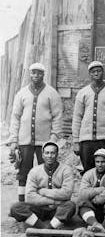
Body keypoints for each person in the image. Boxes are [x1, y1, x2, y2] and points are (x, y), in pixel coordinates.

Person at [8, 63, 63, 202]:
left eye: (39, 73)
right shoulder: (22, 93)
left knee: (44, 171)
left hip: (44, 141)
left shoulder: (51, 93)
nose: (36, 76)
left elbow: (57, 116)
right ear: (29, 74)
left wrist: (53, 138)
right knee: (23, 170)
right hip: (24, 140)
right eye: (33, 73)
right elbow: (15, 116)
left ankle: (43, 200)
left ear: (43, 74)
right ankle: (22, 201)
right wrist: (14, 139)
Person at [9, 141, 76, 229]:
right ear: (42, 155)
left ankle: (49, 228)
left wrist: (42, 191)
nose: (49, 156)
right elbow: (29, 197)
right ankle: (44, 228)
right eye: (47, 153)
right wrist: (54, 201)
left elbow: (66, 193)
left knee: (70, 206)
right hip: (39, 208)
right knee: (16, 207)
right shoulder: (34, 171)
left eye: (52, 153)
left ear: (57, 154)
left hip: (57, 209)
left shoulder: (66, 170)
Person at [72, 61, 105, 172]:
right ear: (89, 74)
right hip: (87, 140)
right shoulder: (82, 93)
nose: (96, 73)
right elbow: (77, 118)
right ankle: (89, 189)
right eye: (93, 71)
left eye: (99, 70)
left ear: (103, 72)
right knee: (88, 170)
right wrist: (76, 141)